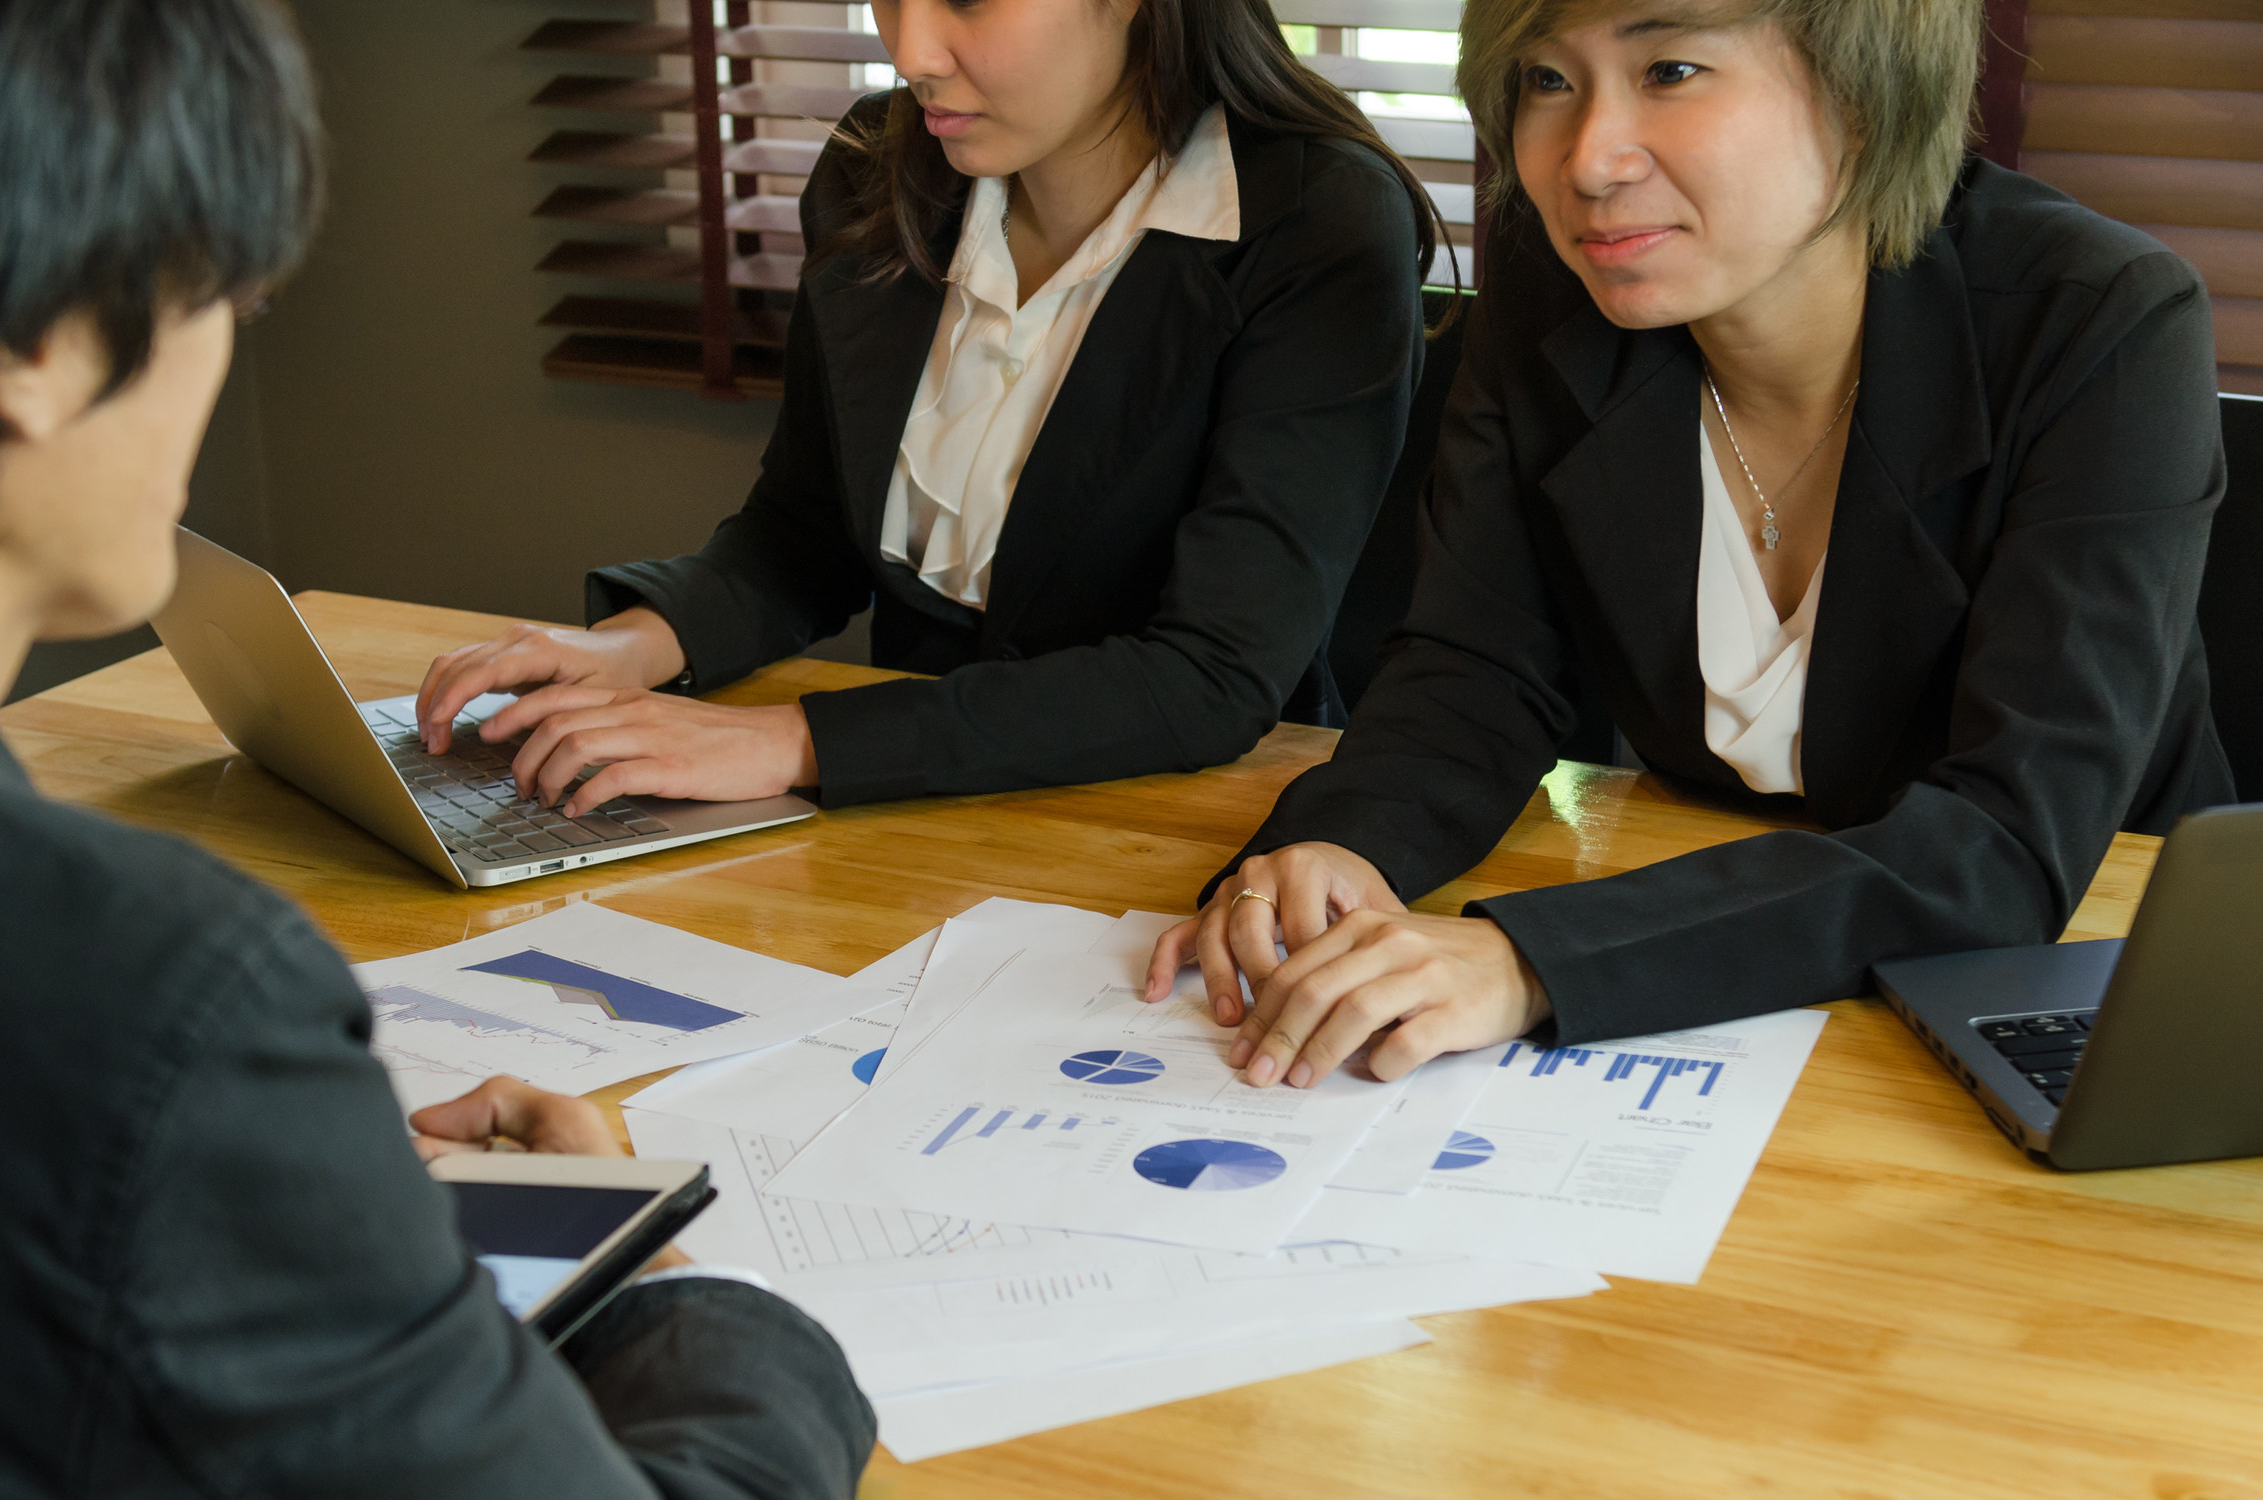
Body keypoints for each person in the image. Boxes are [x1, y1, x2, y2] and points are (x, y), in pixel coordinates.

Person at [0, 3, 871, 1500]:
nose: (238, 334)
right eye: (220, 284)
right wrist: (672, 1294)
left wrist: (287, 1217)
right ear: (35, 342)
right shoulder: (136, 1000)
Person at [1147, 0, 2233, 1088]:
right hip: (1729, 973)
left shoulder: (2099, 321)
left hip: (2082, 988)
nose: (1587, 160)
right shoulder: (1554, 289)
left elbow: (2001, 841)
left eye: (1667, 69)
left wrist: (1527, 958)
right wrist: (1342, 845)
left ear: (1859, 92)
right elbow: (1472, 674)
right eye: (1543, 81)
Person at [414, 0, 1439, 813]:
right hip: (905, 812)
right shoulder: (877, 165)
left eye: (965, 0)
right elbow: (805, 532)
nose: (911, 50)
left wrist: (789, 742)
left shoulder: (1318, 224)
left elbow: (1207, 676)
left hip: (1176, 821)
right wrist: (629, 647)